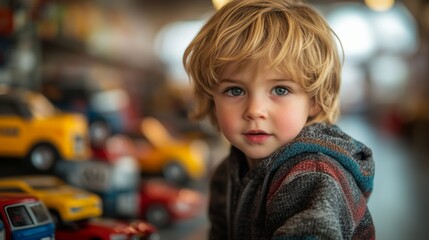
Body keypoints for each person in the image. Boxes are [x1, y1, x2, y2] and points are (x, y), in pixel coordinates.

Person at [183, 0, 375, 239]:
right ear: (212, 98)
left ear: (314, 99)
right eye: (235, 90)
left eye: (281, 90)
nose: (255, 110)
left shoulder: (313, 176)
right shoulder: (226, 173)